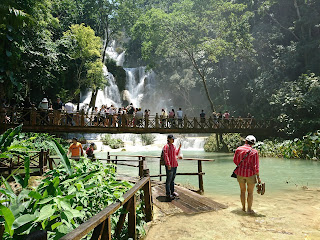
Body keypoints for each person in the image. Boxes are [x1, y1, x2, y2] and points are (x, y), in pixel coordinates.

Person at [233, 135, 260, 214]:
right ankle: (249, 210)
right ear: (253, 143)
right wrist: (258, 177)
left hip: (240, 173)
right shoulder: (254, 152)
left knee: (242, 191)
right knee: (250, 192)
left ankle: (243, 208)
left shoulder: (238, 149)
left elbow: (235, 161)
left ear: (245, 141)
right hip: (250, 174)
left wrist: (242, 166)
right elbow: (256, 166)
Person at [163, 134, 182, 201]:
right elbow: (165, 156)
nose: (173, 140)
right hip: (170, 166)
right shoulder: (166, 146)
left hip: (175, 165)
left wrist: (179, 148)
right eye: (172, 139)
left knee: (172, 179)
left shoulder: (173, 146)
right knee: (168, 180)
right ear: (168, 139)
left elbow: (175, 153)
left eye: (173, 139)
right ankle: (168, 194)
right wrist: (168, 164)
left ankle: (172, 192)